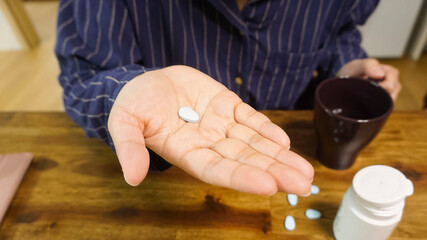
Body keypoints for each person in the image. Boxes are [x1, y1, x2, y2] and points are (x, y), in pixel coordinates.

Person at [55, 0, 401, 196]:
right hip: (168, 183)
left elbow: (340, 31)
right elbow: (81, 78)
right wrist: (123, 90)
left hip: (287, 147)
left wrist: (345, 66)